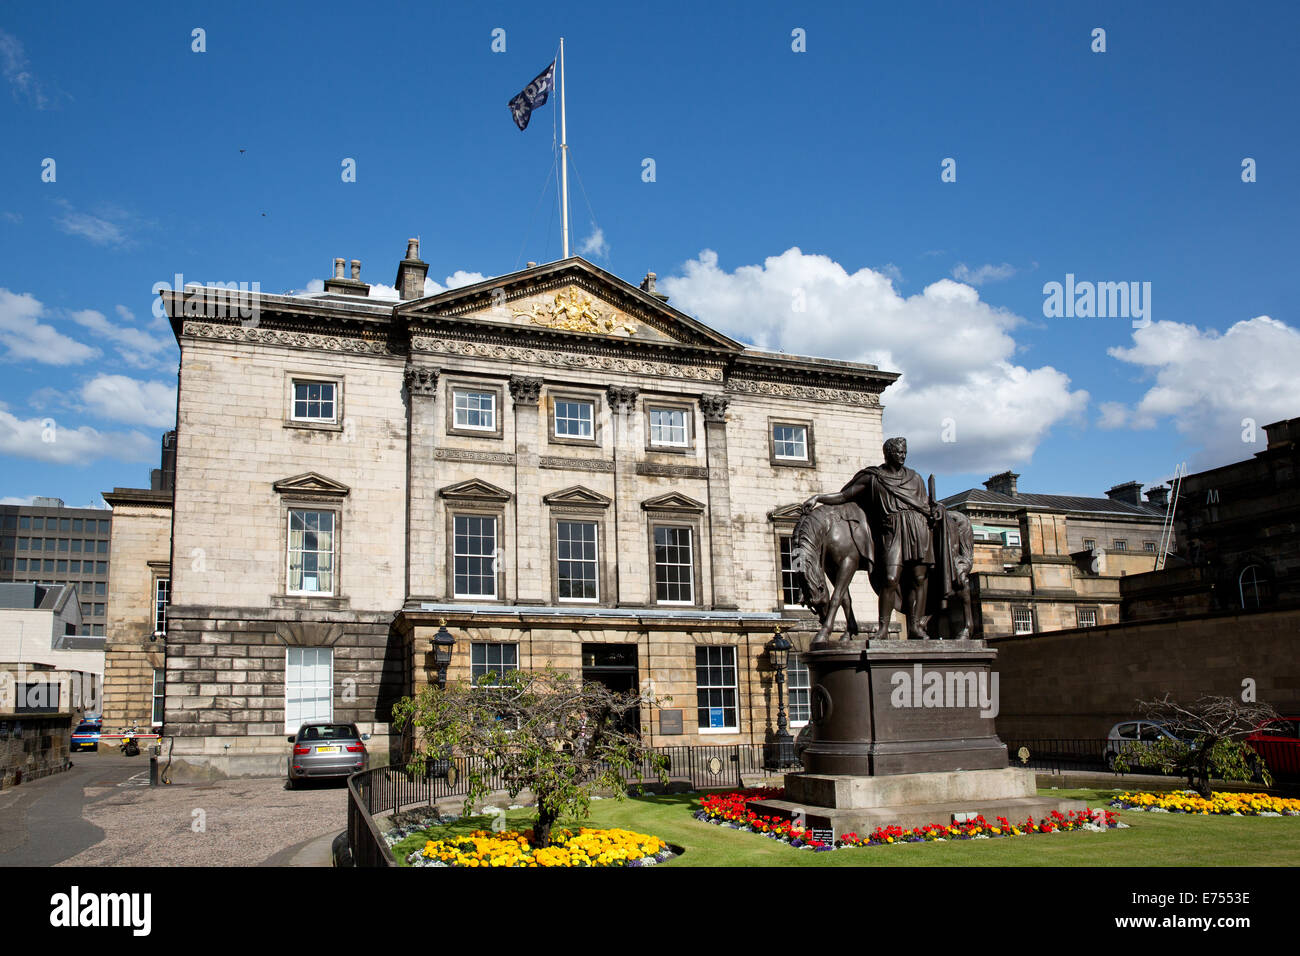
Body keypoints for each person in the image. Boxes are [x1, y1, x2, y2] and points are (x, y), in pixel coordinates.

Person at [804, 437, 944, 640]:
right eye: (898, 452)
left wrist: (937, 508)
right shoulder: (874, 477)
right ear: (887, 454)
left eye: (904, 452)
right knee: (890, 578)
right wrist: (818, 497)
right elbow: (844, 496)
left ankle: (915, 626)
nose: (902, 456)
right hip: (892, 531)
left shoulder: (915, 478)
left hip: (918, 529)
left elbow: (927, 504)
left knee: (918, 579)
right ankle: (883, 628)